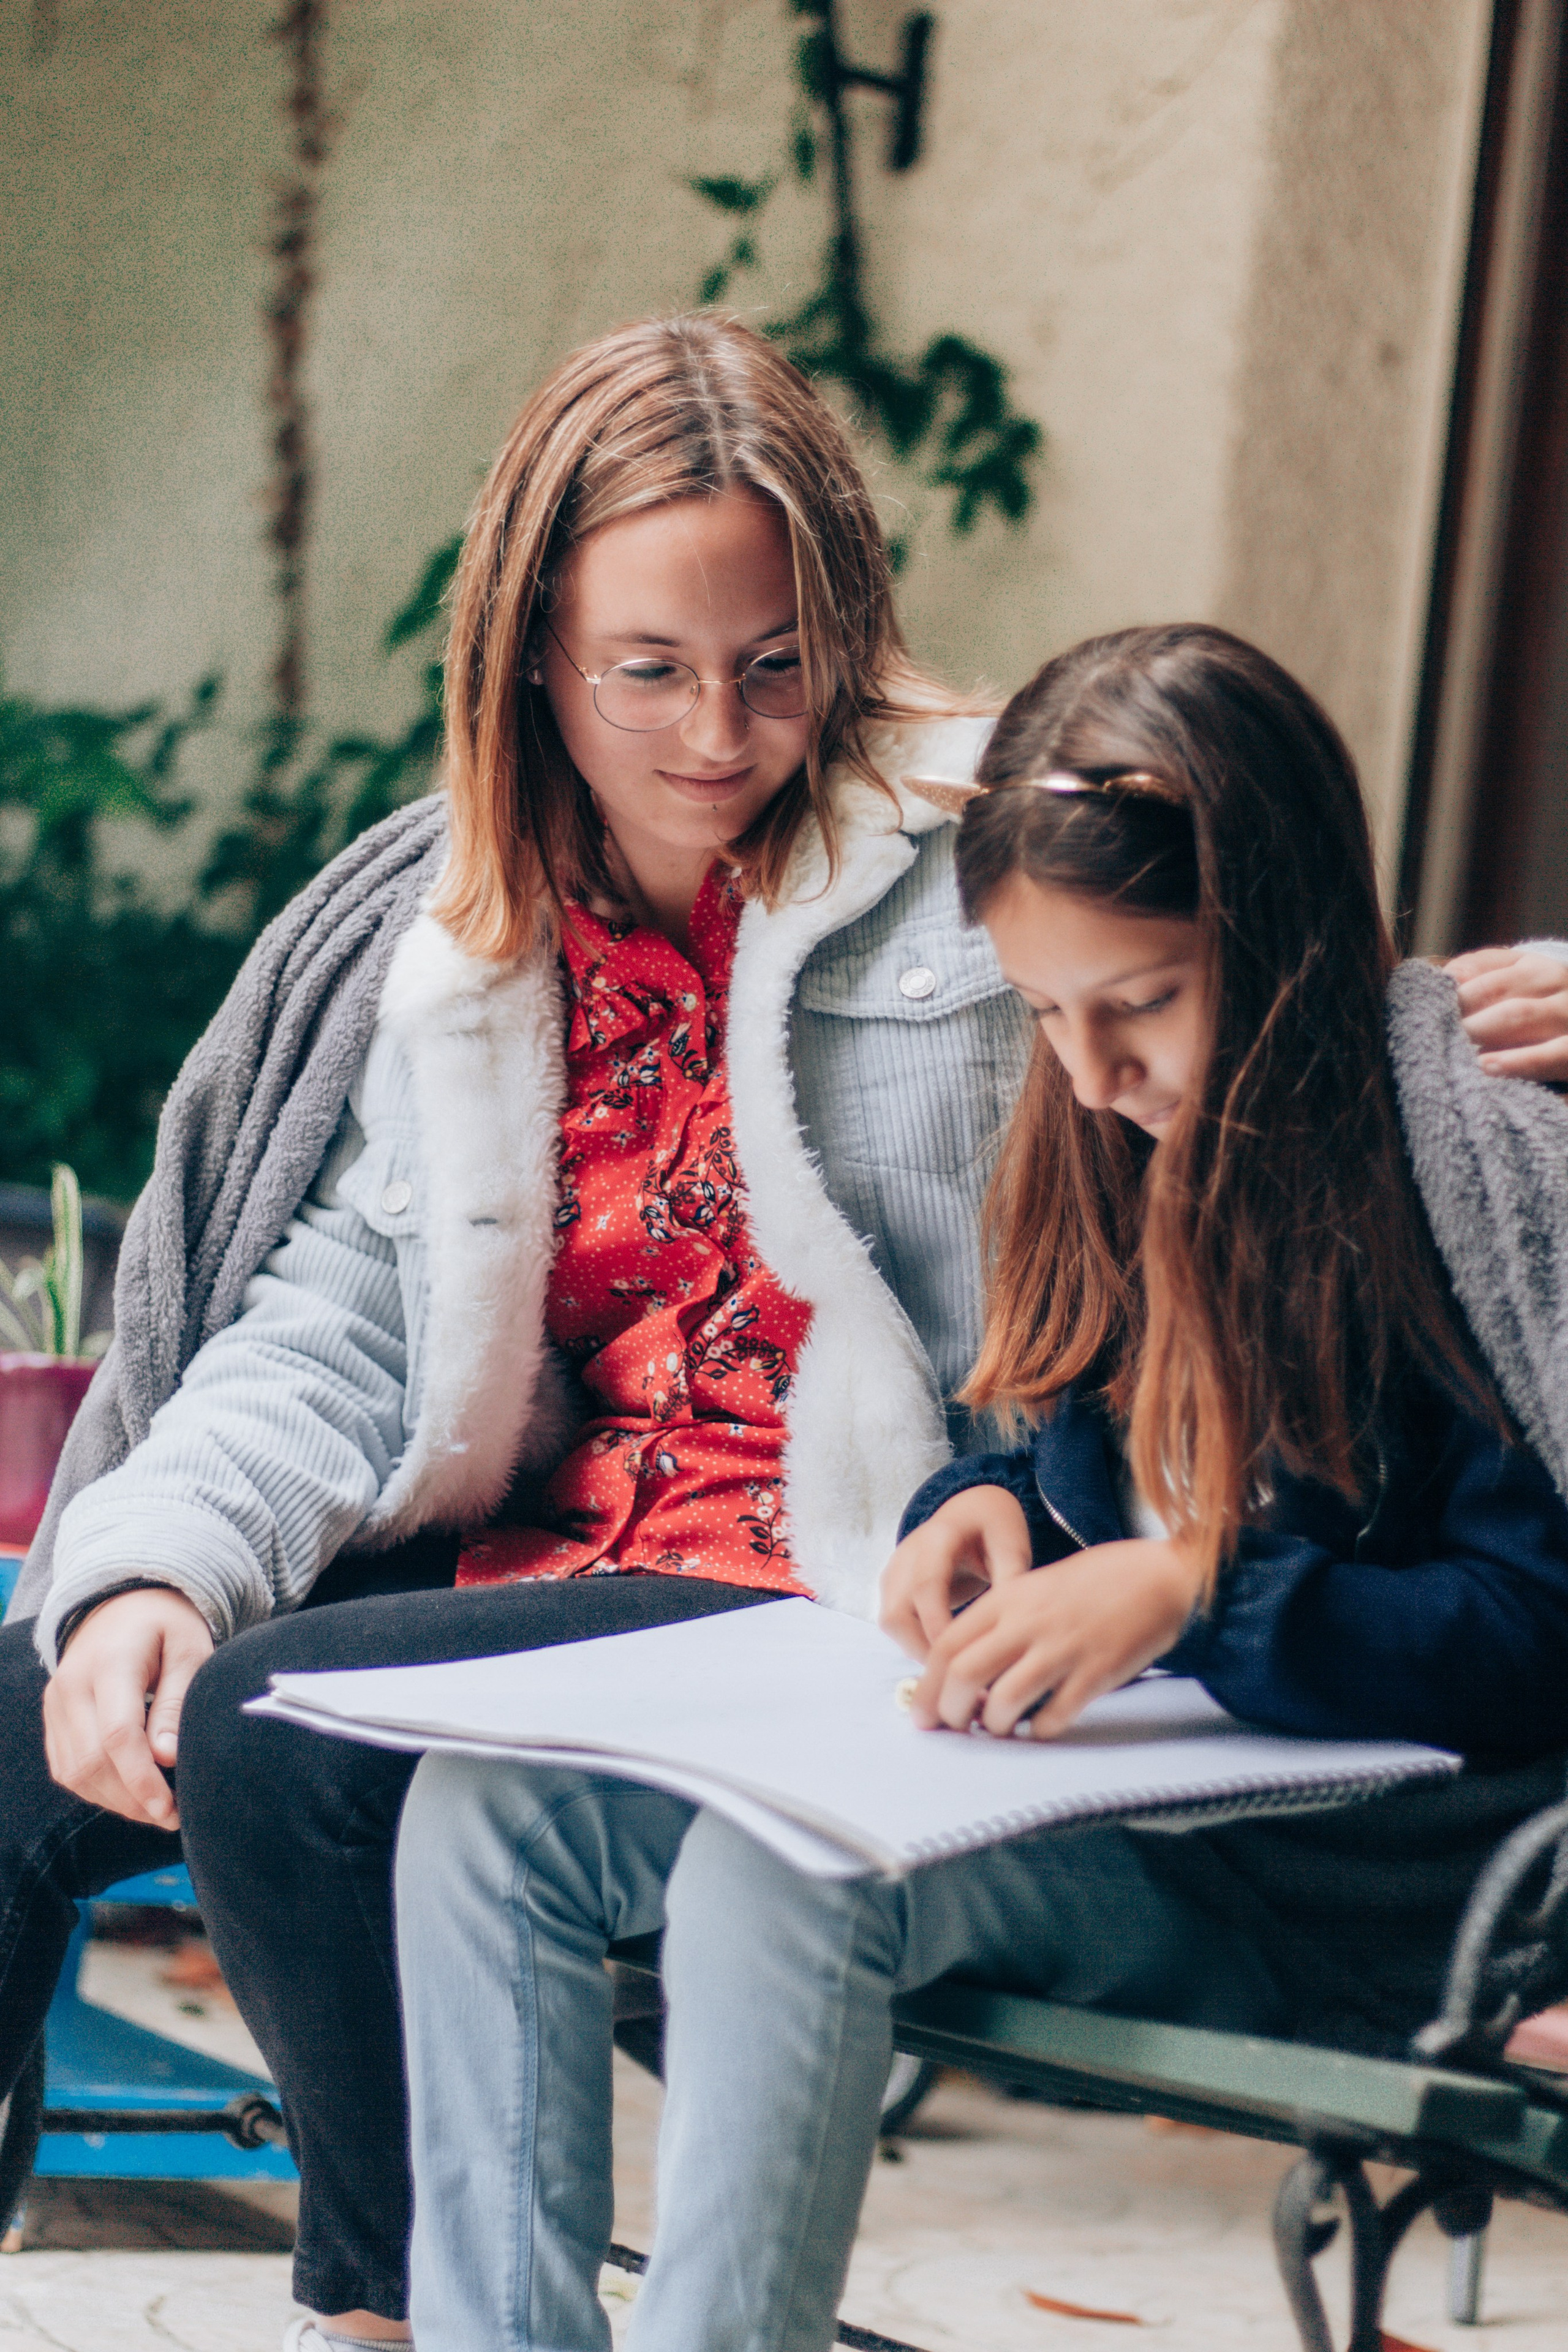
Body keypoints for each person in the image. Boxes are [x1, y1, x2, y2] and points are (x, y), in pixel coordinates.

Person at [0, 311, 1034, 2351]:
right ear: (532, 657)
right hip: (528, 1564)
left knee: (280, 1733)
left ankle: (382, 2315)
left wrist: (1488, 1013)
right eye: (646, 671)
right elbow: (344, 1320)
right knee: (34, 1686)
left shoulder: (982, 877)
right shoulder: (465, 936)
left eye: (770, 665)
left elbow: (1254, 1038)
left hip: (800, 1583)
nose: (717, 734)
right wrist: (157, 1565)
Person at [393, 622, 1568, 2352]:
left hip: (1331, 1888)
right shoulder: (1106, 1150)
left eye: (1143, 1005)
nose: (1090, 1073)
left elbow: (1532, 1633)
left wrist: (1194, 1593)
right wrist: (997, 1495)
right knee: (485, 1813)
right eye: (1044, 1013)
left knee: (779, 1877)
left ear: (1289, 937)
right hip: (1111, 1799)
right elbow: (1092, 1432)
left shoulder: (1457, 1183)